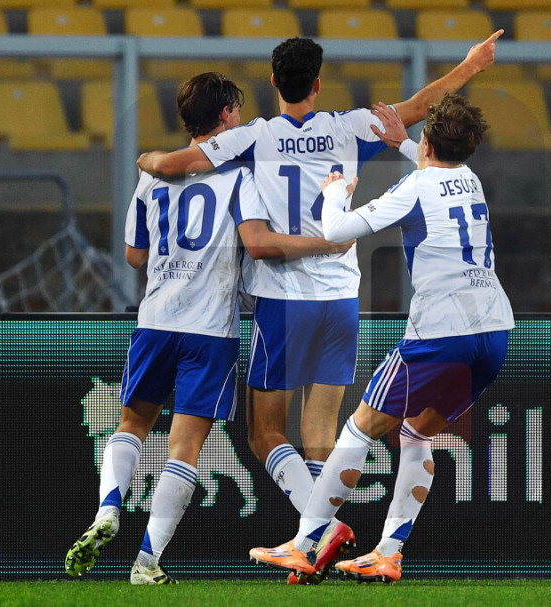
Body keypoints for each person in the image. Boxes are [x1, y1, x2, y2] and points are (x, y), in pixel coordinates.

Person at [135, 33, 503, 583]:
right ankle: (326, 541)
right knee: (323, 430)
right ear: (318, 84)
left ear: (273, 82)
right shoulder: (350, 127)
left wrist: (148, 158)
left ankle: (316, 535)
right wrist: (471, 65)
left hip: (284, 298)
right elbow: (420, 109)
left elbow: (175, 164)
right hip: (341, 298)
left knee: (265, 433)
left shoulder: (255, 136)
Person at [64, 72, 348, 585]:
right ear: (224, 115)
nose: (240, 118)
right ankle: (146, 561)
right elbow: (258, 241)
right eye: (236, 110)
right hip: (211, 330)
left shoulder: (152, 176)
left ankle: (108, 509)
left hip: (155, 320)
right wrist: (328, 242)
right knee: (185, 448)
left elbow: (134, 255)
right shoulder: (239, 176)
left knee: (131, 425)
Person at [249, 93, 514, 583]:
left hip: (440, 333)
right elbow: (438, 169)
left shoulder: (414, 186)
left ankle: (304, 545)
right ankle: (387, 553)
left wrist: (335, 191)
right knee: (416, 432)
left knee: (359, 429)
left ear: (428, 142)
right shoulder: (471, 180)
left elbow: (336, 231)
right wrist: (402, 143)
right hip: (494, 332)